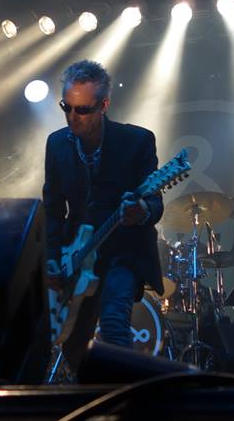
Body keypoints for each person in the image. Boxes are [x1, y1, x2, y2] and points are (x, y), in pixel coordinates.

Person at [43, 59, 164, 373]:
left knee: (113, 326)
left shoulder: (136, 141)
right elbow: (52, 209)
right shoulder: (56, 144)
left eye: (83, 110)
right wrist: (52, 259)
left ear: (104, 105)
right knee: (73, 343)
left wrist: (141, 212)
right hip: (76, 256)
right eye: (66, 107)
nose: (73, 117)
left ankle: (124, 395)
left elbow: (154, 202)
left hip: (121, 251)